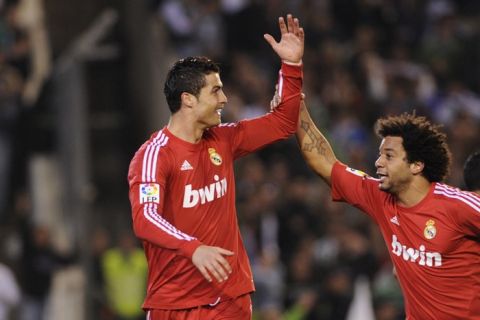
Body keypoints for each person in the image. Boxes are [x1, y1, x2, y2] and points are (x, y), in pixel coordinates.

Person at [127, 14, 304, 319]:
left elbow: (283, 123)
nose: (224, 99)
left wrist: (291, 67)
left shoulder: (224, 139)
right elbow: (146, 218)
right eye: (215, 91)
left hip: (229, 297)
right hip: (177, 304)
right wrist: (193, 247)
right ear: (188, 100)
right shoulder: (154, 155)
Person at [294, 99, 480, 319]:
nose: (378, 163)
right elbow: (323, 162)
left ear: (416, 165)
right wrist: (296, 102)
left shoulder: (457, 206)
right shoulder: (380, 198)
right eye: (380, 154)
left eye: (389, 156)